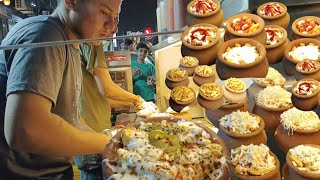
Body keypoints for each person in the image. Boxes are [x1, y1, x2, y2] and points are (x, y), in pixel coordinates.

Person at [0, 0, 123, 179]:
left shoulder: (70, 44)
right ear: (71, 2)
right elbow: (26, 130)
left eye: (115, 16)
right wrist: (107, 142)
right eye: (104, 12)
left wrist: (106, 136)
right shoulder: (46, 35)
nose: (113, 27)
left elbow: (69, 116)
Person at [74, 43, 141, 179]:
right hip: (93, 139)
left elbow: (96, 98)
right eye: (113, 20)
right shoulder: (92, 42)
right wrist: (137, 100)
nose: (113, 27)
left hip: (89, 137)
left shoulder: (78, 47)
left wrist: (127, 104)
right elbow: (107, 89)